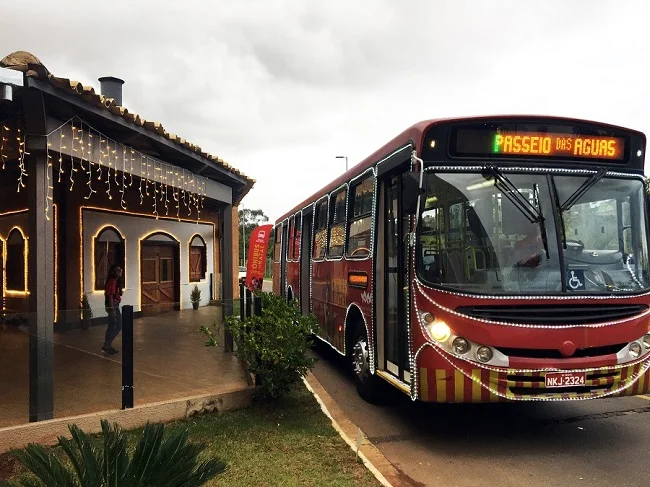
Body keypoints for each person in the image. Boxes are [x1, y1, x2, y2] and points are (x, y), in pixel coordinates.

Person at [102, 264, 123, 355]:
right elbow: (110, 295)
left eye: (120, 270)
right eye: (118, 270)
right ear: (114, 272)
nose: (120, 271)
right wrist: (112, 309)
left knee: (112, 325)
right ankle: (107, 345)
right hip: (113, 305)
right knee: (118, 325)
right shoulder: (112, 281)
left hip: (114, 304)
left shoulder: (115, 281)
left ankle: (107, 346)